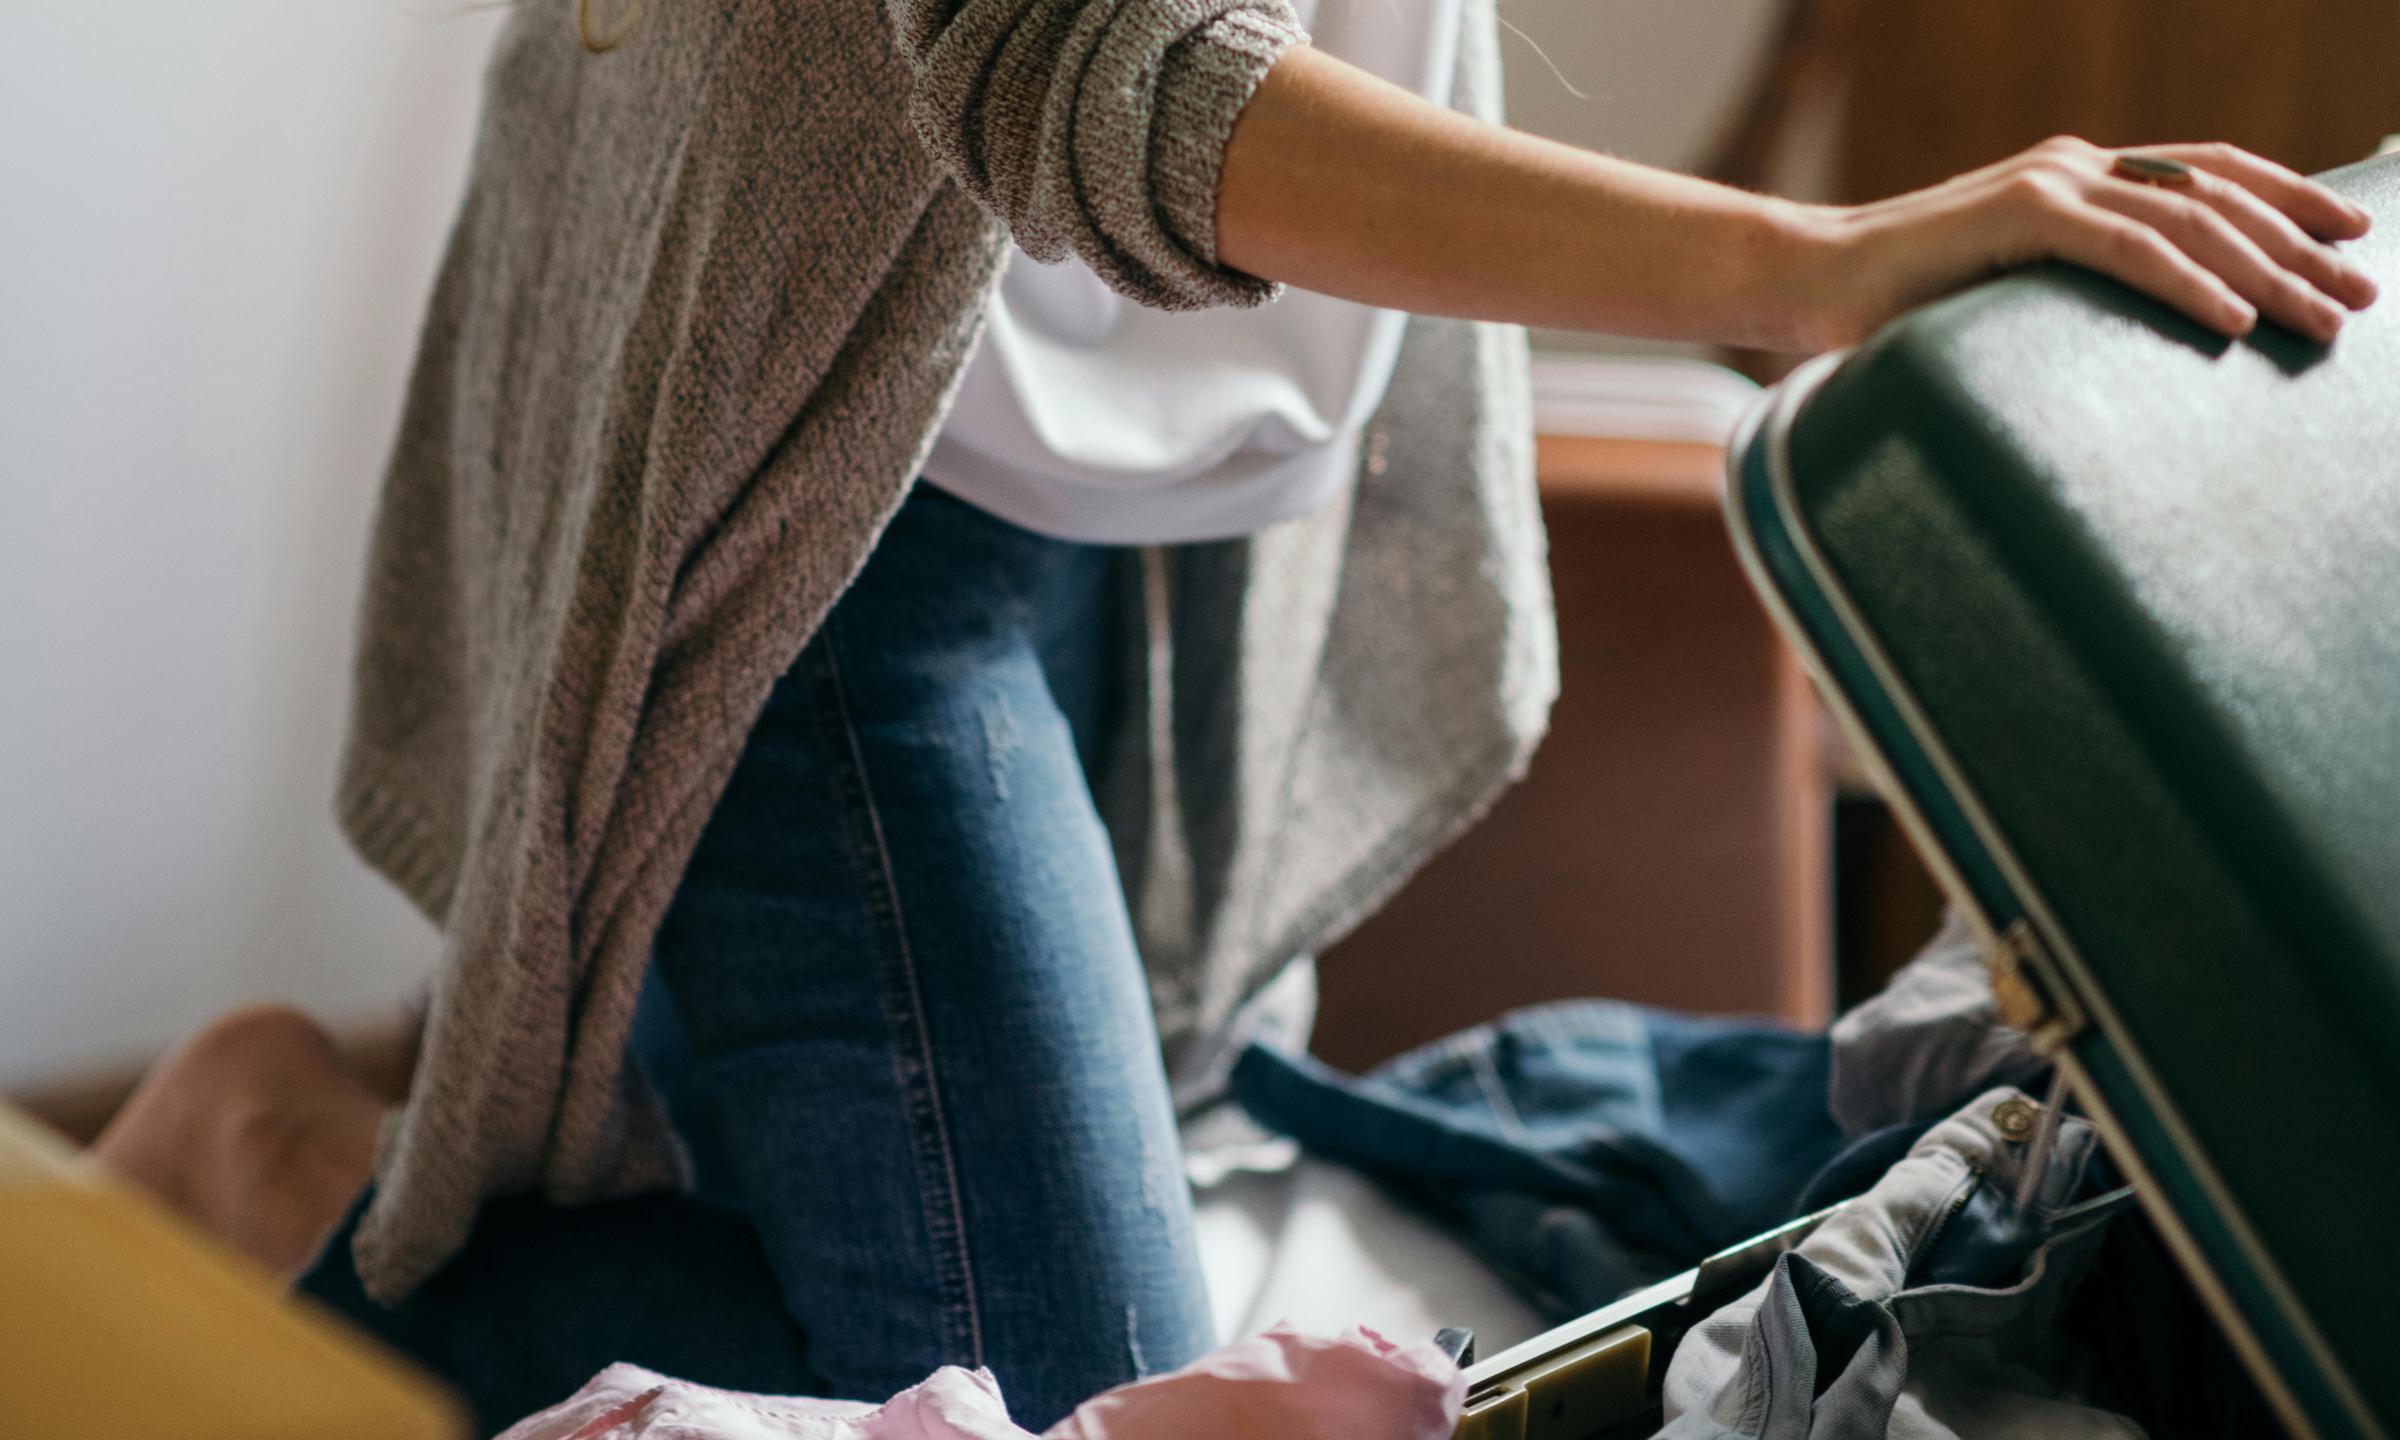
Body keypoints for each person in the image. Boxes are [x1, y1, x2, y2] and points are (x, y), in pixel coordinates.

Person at [279, 0, 2374, 1432]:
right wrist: (1801, 262)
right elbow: (1083, 64)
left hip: (1084, 463)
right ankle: (295, 1214)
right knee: (1110, 1399)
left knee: (1037, 1233)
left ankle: (332, 1157)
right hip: (844, 552)